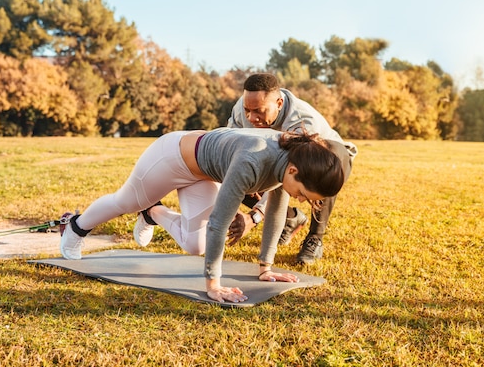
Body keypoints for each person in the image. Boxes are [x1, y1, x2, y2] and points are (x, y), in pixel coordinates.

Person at [59, 127, 350, 303]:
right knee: (124, 201)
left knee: (194, 245)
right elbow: (219, 223)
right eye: (302, 193)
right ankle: (77, 228)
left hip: (202, 172)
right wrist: (213, 284)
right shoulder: (253, 161)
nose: (298, 199)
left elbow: (275, 212)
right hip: (171, 158)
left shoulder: (291, 162)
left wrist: (266, 267)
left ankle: (152, 212)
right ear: (293, 171)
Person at [226, 73, 357, 264]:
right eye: (247, 110)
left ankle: (315, 237)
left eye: (259, 111)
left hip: (328, 160)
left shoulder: (302, 123)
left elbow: (287, 174)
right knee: (240, 168)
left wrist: (254, 217)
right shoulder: (243, 106)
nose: (251, 117)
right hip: (277, 159)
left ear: (279, 103)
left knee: (326, 168)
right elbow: (229, 148)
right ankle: (291, 218)